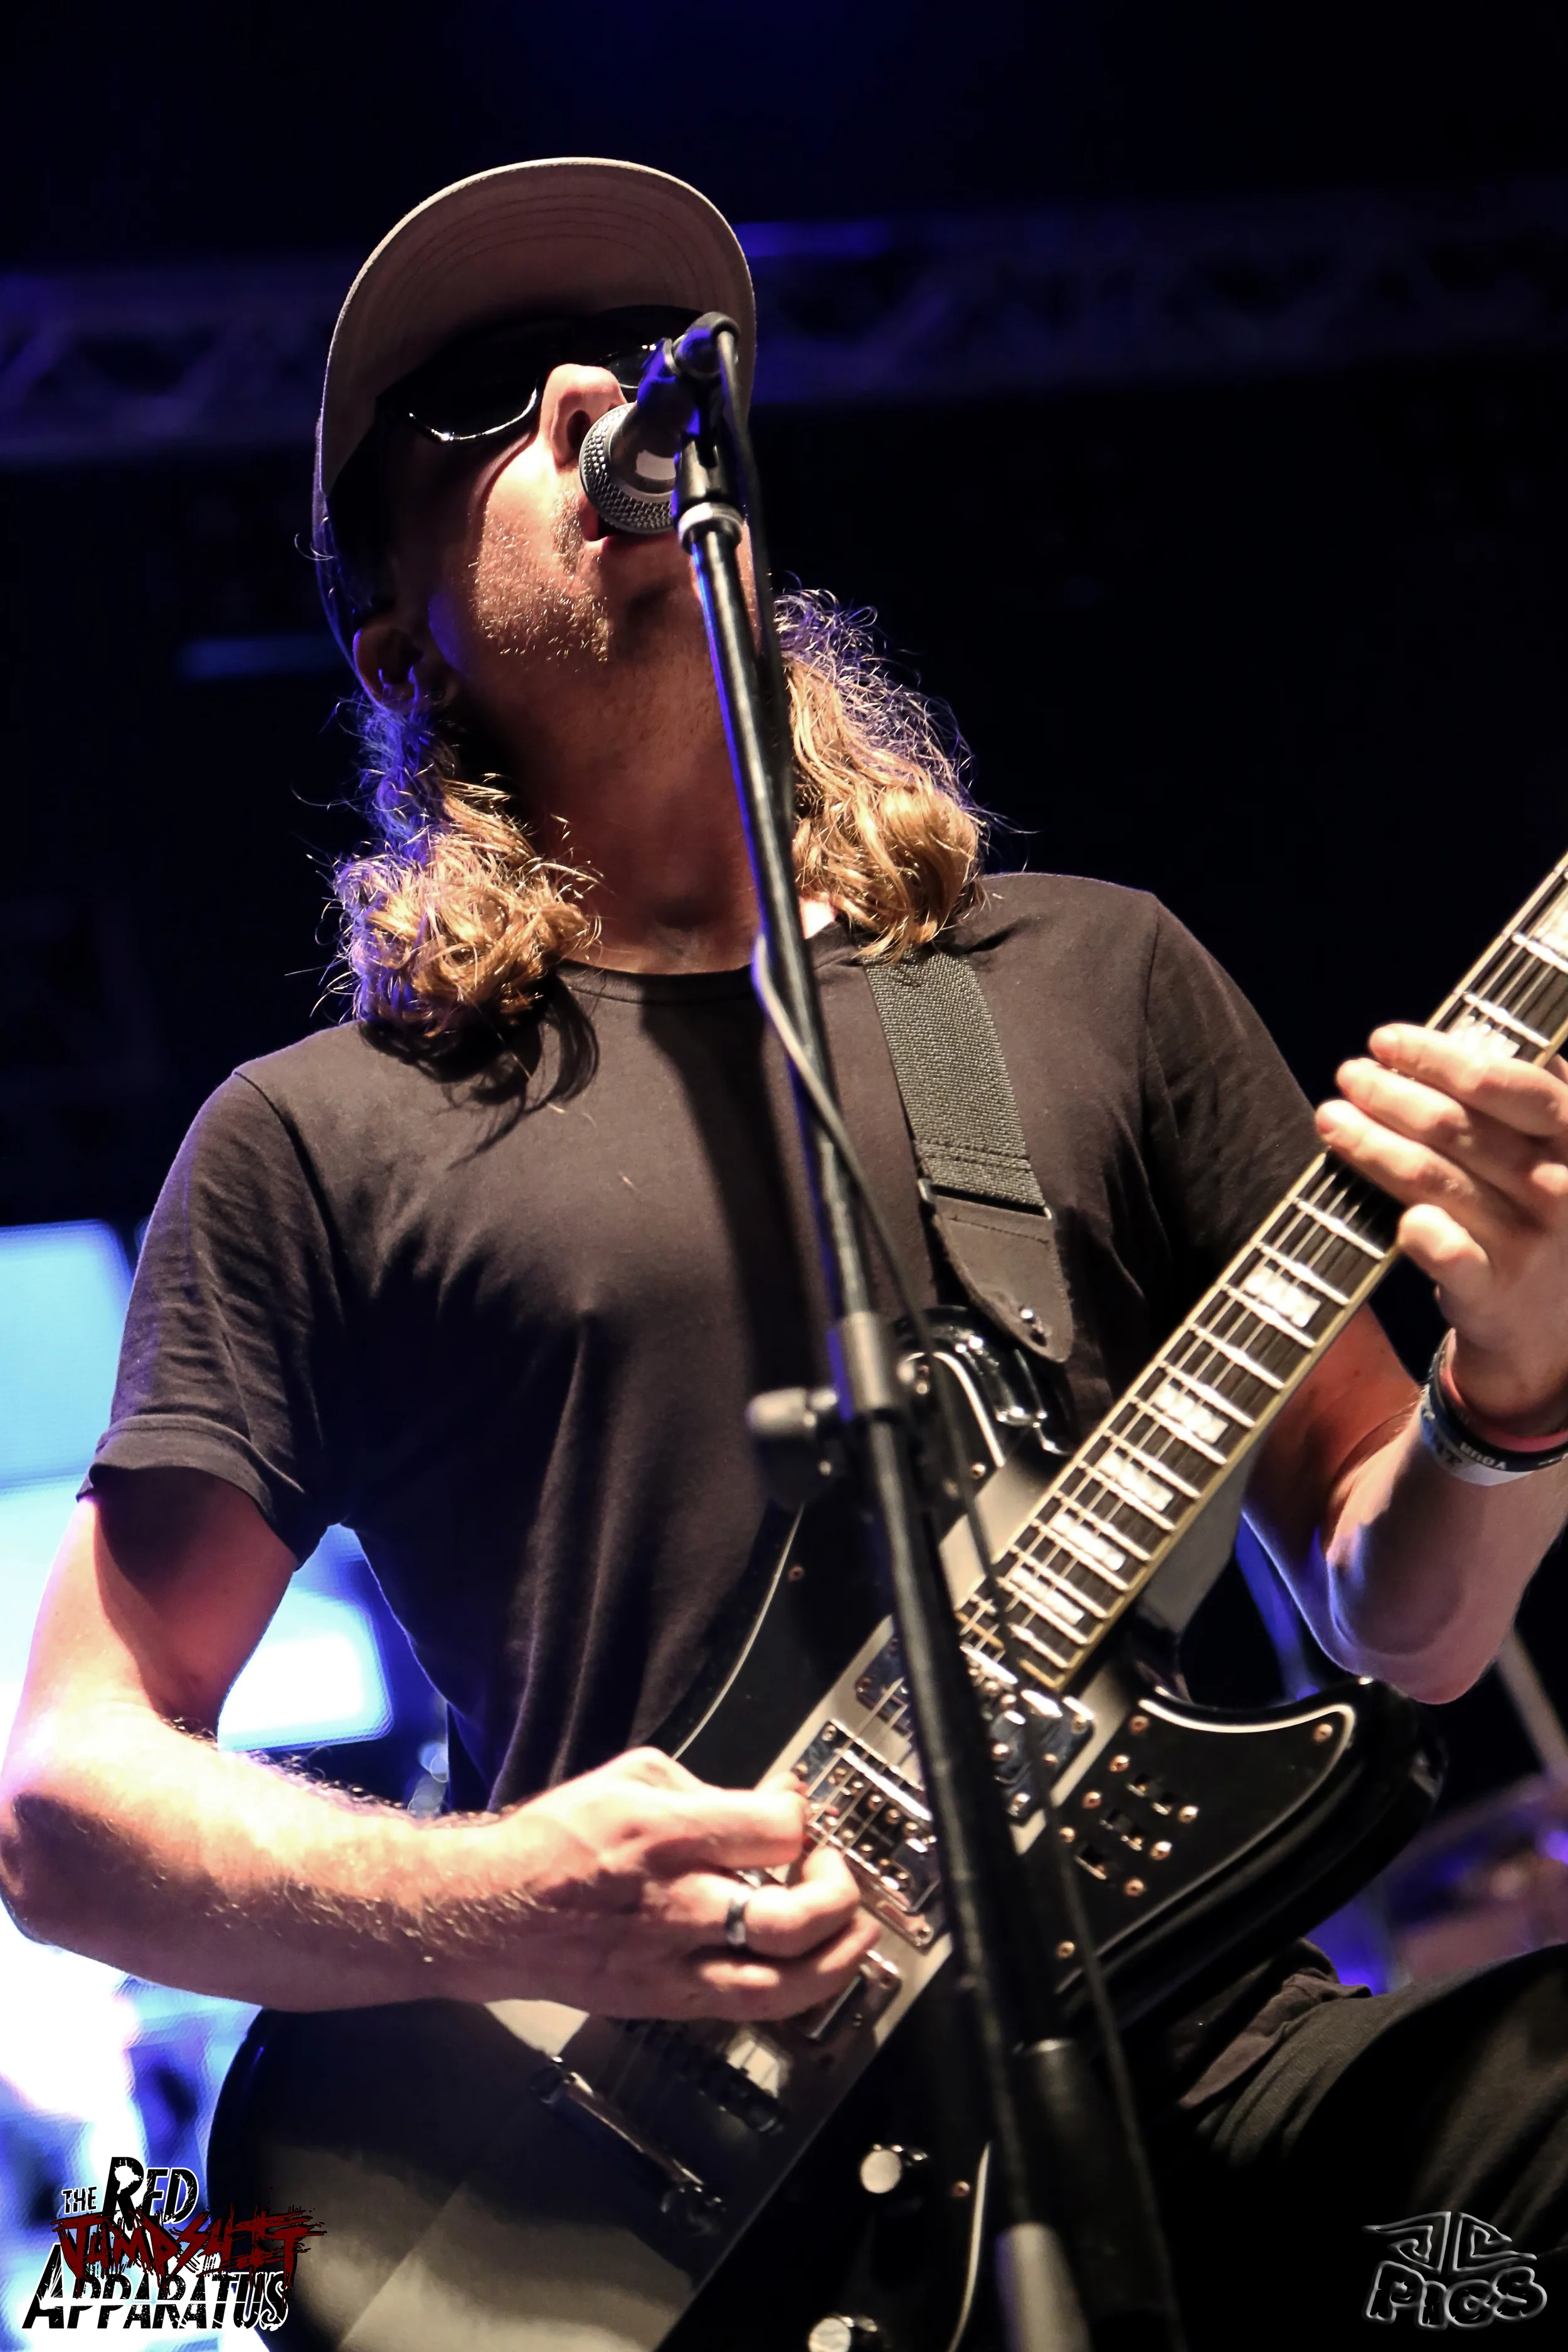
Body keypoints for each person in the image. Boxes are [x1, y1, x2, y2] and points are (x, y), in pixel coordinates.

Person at [4, 157, 1568, 2346]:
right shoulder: (322, 1136)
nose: (593, 394)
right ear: (399, 642)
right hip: (661, 2212)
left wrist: (1517, 1381)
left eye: (634, 357)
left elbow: (1405, 1626)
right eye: (485, 398)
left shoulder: (1083, 979)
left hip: (1191, 2078)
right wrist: (513, 1901)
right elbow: (67, 1799)